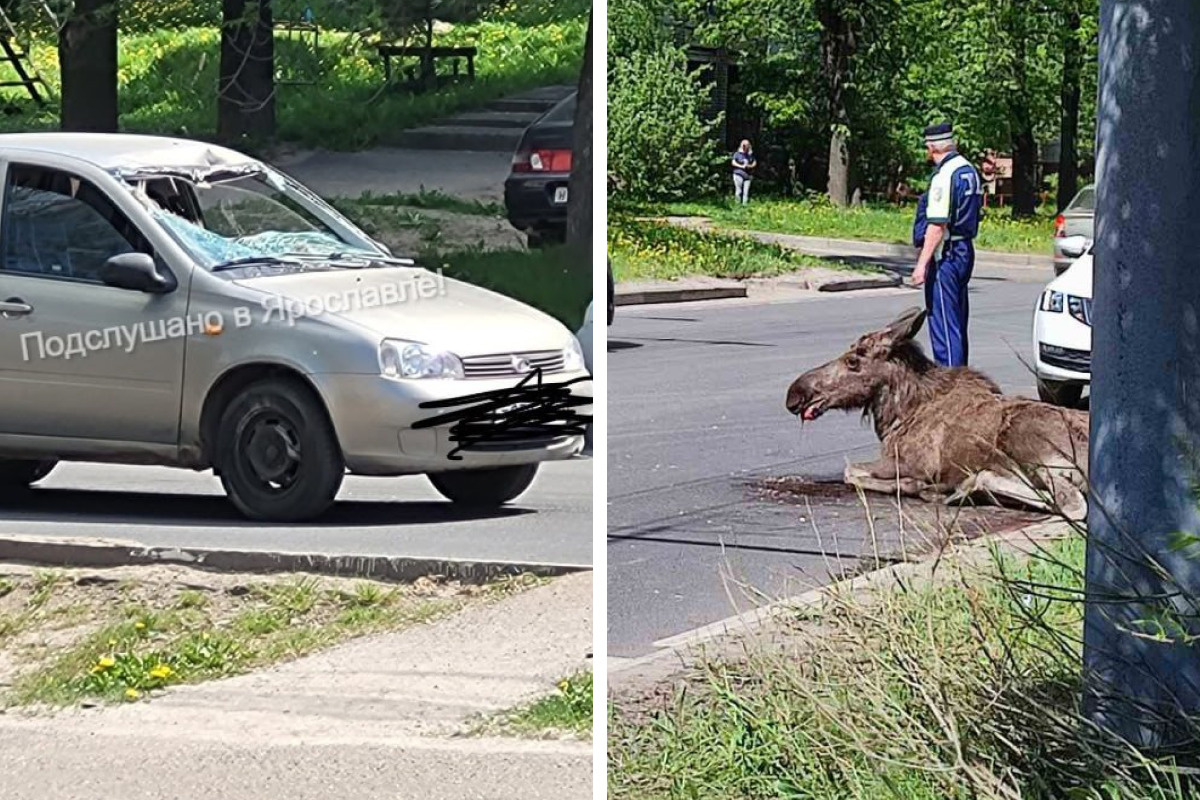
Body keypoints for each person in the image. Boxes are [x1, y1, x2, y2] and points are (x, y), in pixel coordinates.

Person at [911, 122, 983, 367]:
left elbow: (937, 225)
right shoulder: (968, 170)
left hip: (947, 255)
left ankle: (952, 384)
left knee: (943, 322)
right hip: (964, 250)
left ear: (932, 147)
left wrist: (922, 264)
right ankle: (961, 376)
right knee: (958, 320)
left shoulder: (945, 176)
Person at [731, 140, 756, 205]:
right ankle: (737, 204)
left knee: (746, 192)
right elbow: (733, 162)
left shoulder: (750, 155)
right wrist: (741, 166)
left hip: (748, 176)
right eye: (744, 145)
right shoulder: (737, 154)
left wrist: (749, 166)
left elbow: (754, 163)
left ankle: (745, 205)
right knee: (738, 191)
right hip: (738, 174)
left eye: (746, 145)